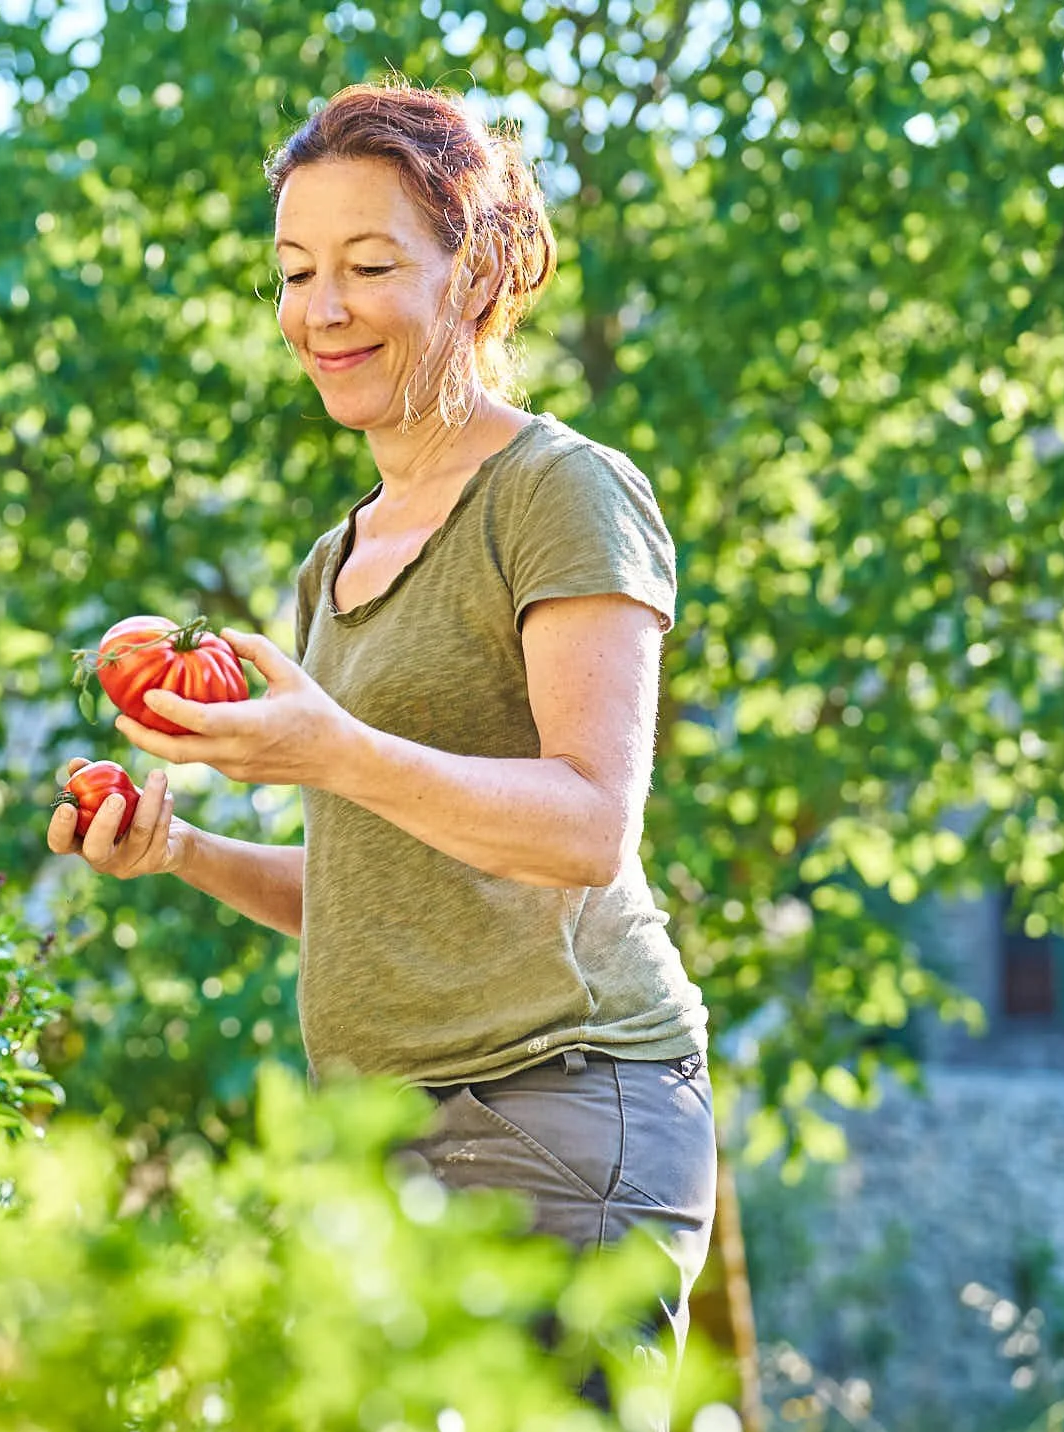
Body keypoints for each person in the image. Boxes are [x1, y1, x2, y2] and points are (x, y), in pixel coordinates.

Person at [45, 81, 716, 1360]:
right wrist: (181, 848)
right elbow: (383, 881)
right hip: (382, 1128)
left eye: (368, 265)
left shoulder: (559, 491)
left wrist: (334, 749)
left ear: (475, 276)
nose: (322, 310)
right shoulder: (333, 560)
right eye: (296, 272)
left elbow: (584, 825)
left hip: (557, 1104)